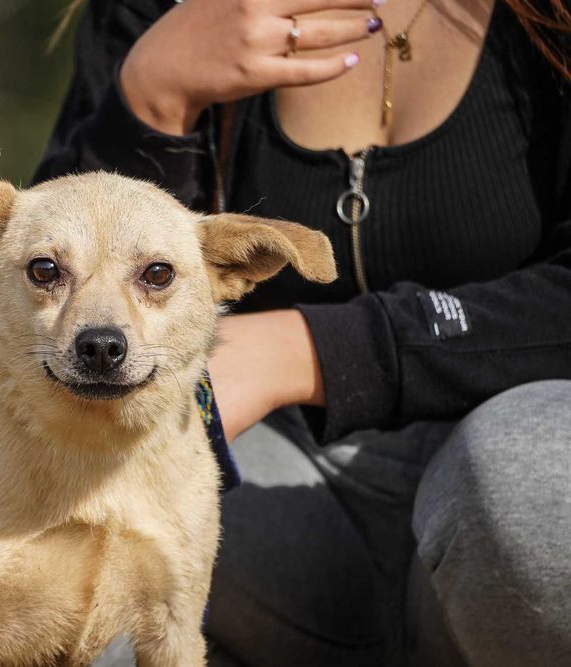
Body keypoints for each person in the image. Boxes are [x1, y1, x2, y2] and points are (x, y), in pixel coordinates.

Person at [32, 0, 571, 664]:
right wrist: (152, 97)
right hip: (275, 502)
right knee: (86, 568)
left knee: (534, 487)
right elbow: (30, 303)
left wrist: (311, 349)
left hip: (522, 466)